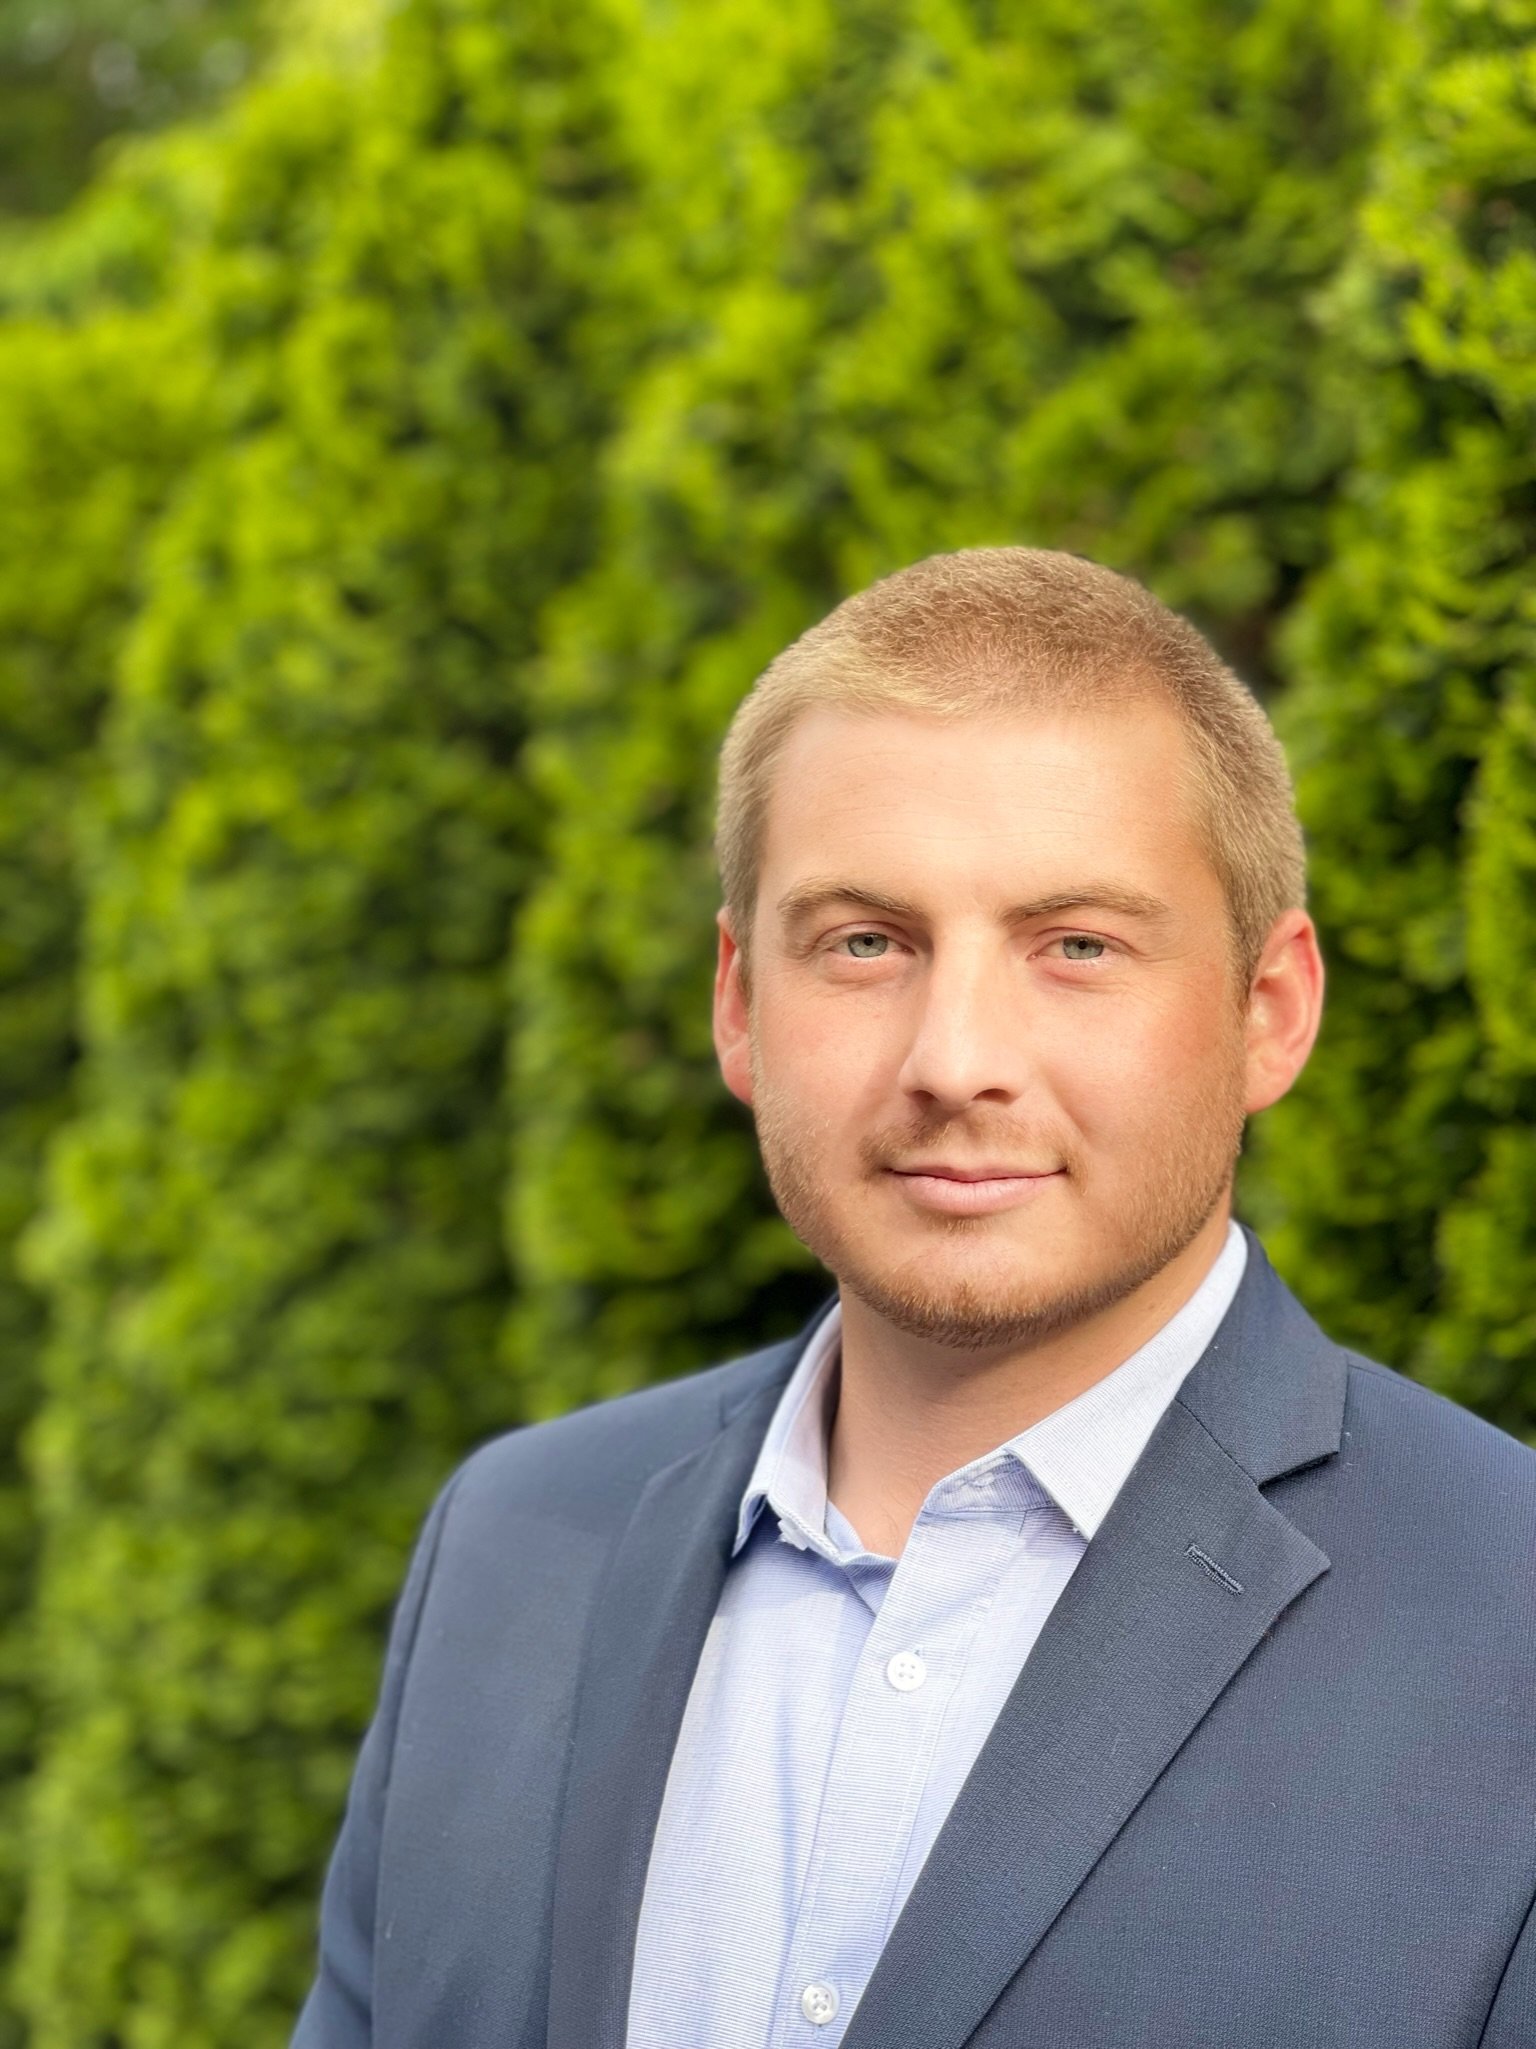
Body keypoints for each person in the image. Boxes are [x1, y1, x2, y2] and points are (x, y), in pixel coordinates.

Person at [292, 548, 1536, 2049]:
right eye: (867, 942)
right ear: (740, 1004)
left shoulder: (1506, 1625)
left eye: (1076, 945)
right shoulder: (511, 1544)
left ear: (1268, 1012)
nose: (956, 1058)